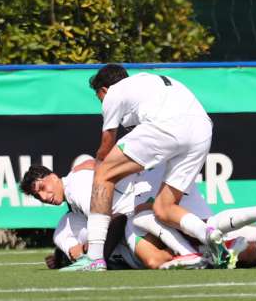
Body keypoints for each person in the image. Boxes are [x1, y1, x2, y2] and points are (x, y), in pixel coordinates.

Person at [72, 63, 230, 271]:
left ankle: (94, 258)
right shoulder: (149, 82)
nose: (101, 102)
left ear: (103, 90)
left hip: (168, 125)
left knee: (103, 174)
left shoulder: (113, 93)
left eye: (99, 97)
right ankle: (207, 233)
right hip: (202, 130)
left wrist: (99, 171)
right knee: (164, 208)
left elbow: (107, 144)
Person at [20, 160, 256, 270]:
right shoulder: (72, 207)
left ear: (53, 176)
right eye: (37, 195)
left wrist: (95, 256)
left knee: (198, 235)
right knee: (208, 237)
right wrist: (69, 255)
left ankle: (196, 254)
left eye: (43, 187)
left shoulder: (77, 187)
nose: (44, 196)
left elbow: (113, 218)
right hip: (143, 199)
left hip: (148, 194)